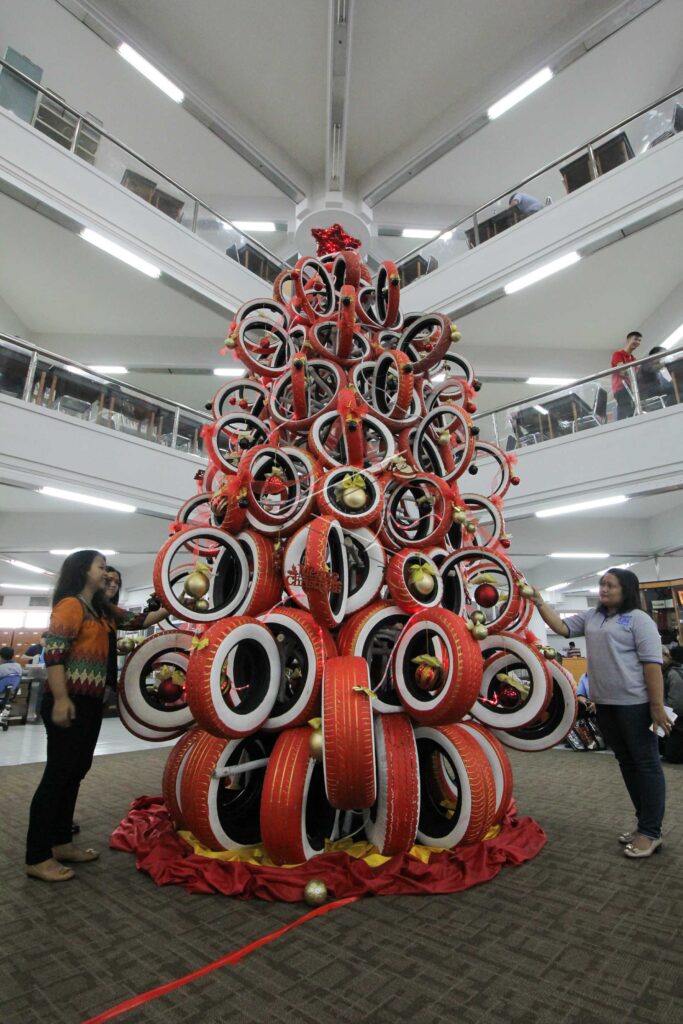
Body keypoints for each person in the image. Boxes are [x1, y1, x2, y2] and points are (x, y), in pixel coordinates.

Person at [24, 550, 170, 883]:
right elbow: (55, 655)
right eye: (100, 567)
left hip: (88, 703)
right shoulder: (71, 606)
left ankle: (61, 842)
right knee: (58, 775)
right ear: (81, 571)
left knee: (75, 771)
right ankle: (37, 856)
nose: (106, 573)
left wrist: (175, 603)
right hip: (69, 700)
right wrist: (61, 698)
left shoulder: (102, 610)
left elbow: (140, 621)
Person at [530, 567, 670, 859]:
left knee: (646, 764)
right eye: (601, 584)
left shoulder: (640, 620)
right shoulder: (593, 617)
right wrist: (539, 601)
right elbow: (562, 628)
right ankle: (644, 824)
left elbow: (652, 666)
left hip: (636, 704)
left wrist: (656, 707)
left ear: (626, 589)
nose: (603, 589)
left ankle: (651, 832)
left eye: (610, 585)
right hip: (604, 703)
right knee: (626, 763)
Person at [611, 331, 641, 420]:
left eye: (639, 340)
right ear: (628, 340)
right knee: (625, 406)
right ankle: (621, 425)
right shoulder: (618, 354)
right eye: (635, 339)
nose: (637, 342)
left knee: (632, 408)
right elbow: (621, 370)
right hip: (621, 387)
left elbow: (637, 375)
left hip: (631, 388)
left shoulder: (634, 359)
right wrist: (631, 374)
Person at [662, 645, 683, 763]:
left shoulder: (673, 673)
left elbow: (677, 702)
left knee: (674, 755)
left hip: (677, 719)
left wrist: (665, 708)